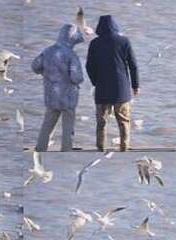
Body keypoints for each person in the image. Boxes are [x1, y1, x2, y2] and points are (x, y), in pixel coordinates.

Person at [86, 15, 139, 152]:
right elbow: (133, 65)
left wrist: (95, 81)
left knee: (102, 122)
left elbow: (89, 66)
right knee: (123, 122)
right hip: (121, 90)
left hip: (102, 90)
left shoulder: (94, 43)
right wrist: (135, 85)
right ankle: (124, 148)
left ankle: (100, 148)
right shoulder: (124, 41)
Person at [32, 24, 84, 152]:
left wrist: (45, 73)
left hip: (51, 95)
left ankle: (40, 149)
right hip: (68, 97)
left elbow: (35, 66)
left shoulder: (47, 51)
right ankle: (66, 150)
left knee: (47, 125)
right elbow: (76, 77)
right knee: (68, 127)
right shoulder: (71, 55)